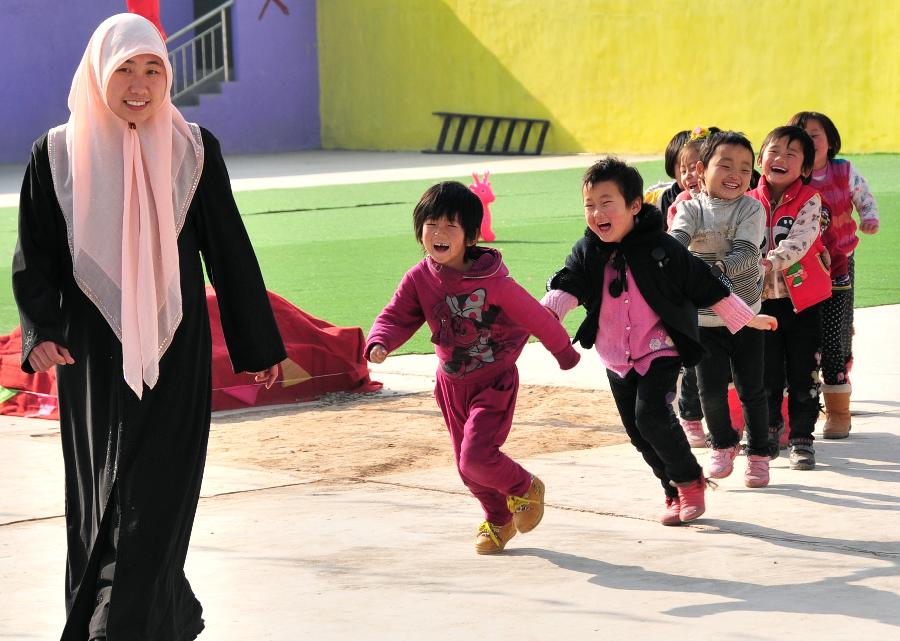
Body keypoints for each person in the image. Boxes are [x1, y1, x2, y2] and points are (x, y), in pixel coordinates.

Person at [12, 14, 285, 641]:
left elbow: (229, 249)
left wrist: (257, 343)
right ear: (98, 74)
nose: (139, 84)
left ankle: (133, 622)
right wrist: (41, 330)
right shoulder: (56, 154)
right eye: (124, 70)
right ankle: (139, 620)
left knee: (159, 495)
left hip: (175, 345)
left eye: (152, 69)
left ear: (167, 76)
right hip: (88, 352)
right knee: (101, 493)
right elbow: (36, 256)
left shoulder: (193, 149)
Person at [542, 158, 775, 526]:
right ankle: (672, 489)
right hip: (616, 356)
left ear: (634, 206)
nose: (597, 213)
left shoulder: (662, 249)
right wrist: (546, 314)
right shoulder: (587, 251)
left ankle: (690, 481)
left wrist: (746, 317)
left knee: (650, 416)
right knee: (638, 433)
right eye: (590, 205)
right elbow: (567, 285)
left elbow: (703, 283)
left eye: (607, 203)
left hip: (660, 348)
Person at [366, 181, 579, 555]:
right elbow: (397, 314)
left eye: (451, 226)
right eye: (431, 224)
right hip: (450, 386)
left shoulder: (493, 283)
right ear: (420, 230)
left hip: (493, 383)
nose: (439, 233)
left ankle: (526, 488)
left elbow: (536, 316)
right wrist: (380, 340)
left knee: (477, 457)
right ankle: (498, 518)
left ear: (470, 236)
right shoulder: (420, 277)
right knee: (467, 469)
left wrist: (564, 352)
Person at [670, 131, 772, 487]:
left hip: (747, 316)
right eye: (725, 165)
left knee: (751, 389)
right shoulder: (689, 208)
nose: (736, 174)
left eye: (745, 169)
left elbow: (747, 254)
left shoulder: (752, 207)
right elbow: (676, 241)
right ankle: (723, 444)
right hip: (703, 318)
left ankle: (759, 453)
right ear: (700, 170)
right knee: (708, 389)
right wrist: (668, 259)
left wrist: (713, 271)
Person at [788, 111, 880, 439]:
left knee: (838, 328)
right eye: (800, 134)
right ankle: (804, 400)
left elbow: (863, 196)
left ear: (830, 141)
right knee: (803, 330)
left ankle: (838, 399)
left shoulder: (843, 171)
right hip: (802, 265)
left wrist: (868, 216)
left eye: (815, 134)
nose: (809, 140)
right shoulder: (792, 176)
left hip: (841, 261)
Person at [747, 126, 830, 471]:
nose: (780, 159)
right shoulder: (747, 201)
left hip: (803, 302)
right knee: (764, 371)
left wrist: (768, 261)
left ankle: (802, 438)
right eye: (774, 151)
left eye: (791, 154)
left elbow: (801, 239)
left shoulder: (811, 200)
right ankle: (767, 433)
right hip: (762, 302)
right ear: (761, 158)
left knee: (803, 371)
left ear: (805, 169)